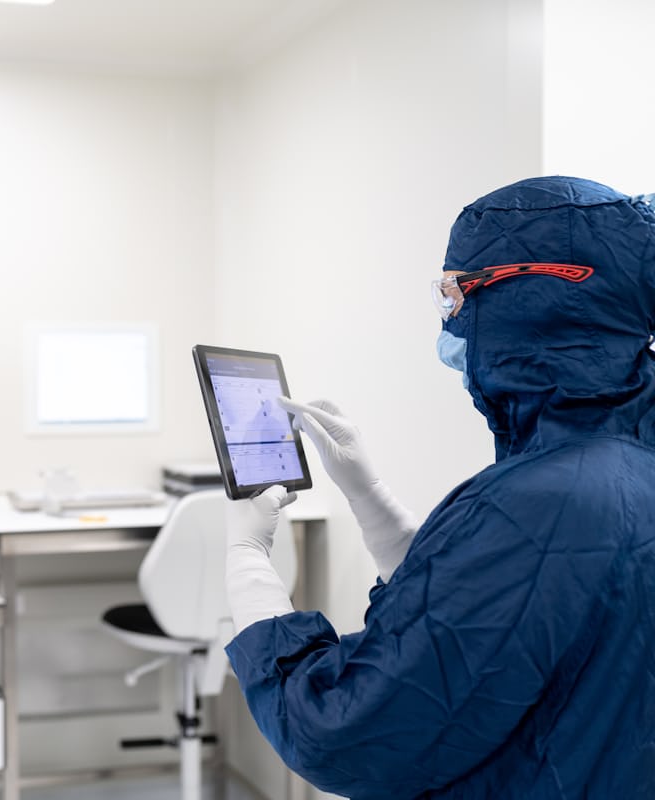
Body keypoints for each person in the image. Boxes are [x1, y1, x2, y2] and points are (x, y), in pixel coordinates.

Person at [223, 176, 655, 799]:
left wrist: (246, 561)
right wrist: (368, 496)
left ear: (526, 297)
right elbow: (506, 610)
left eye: (452, 293)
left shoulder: (538, 502)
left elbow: (340, 729)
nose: (449, 319)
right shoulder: (619, 462)